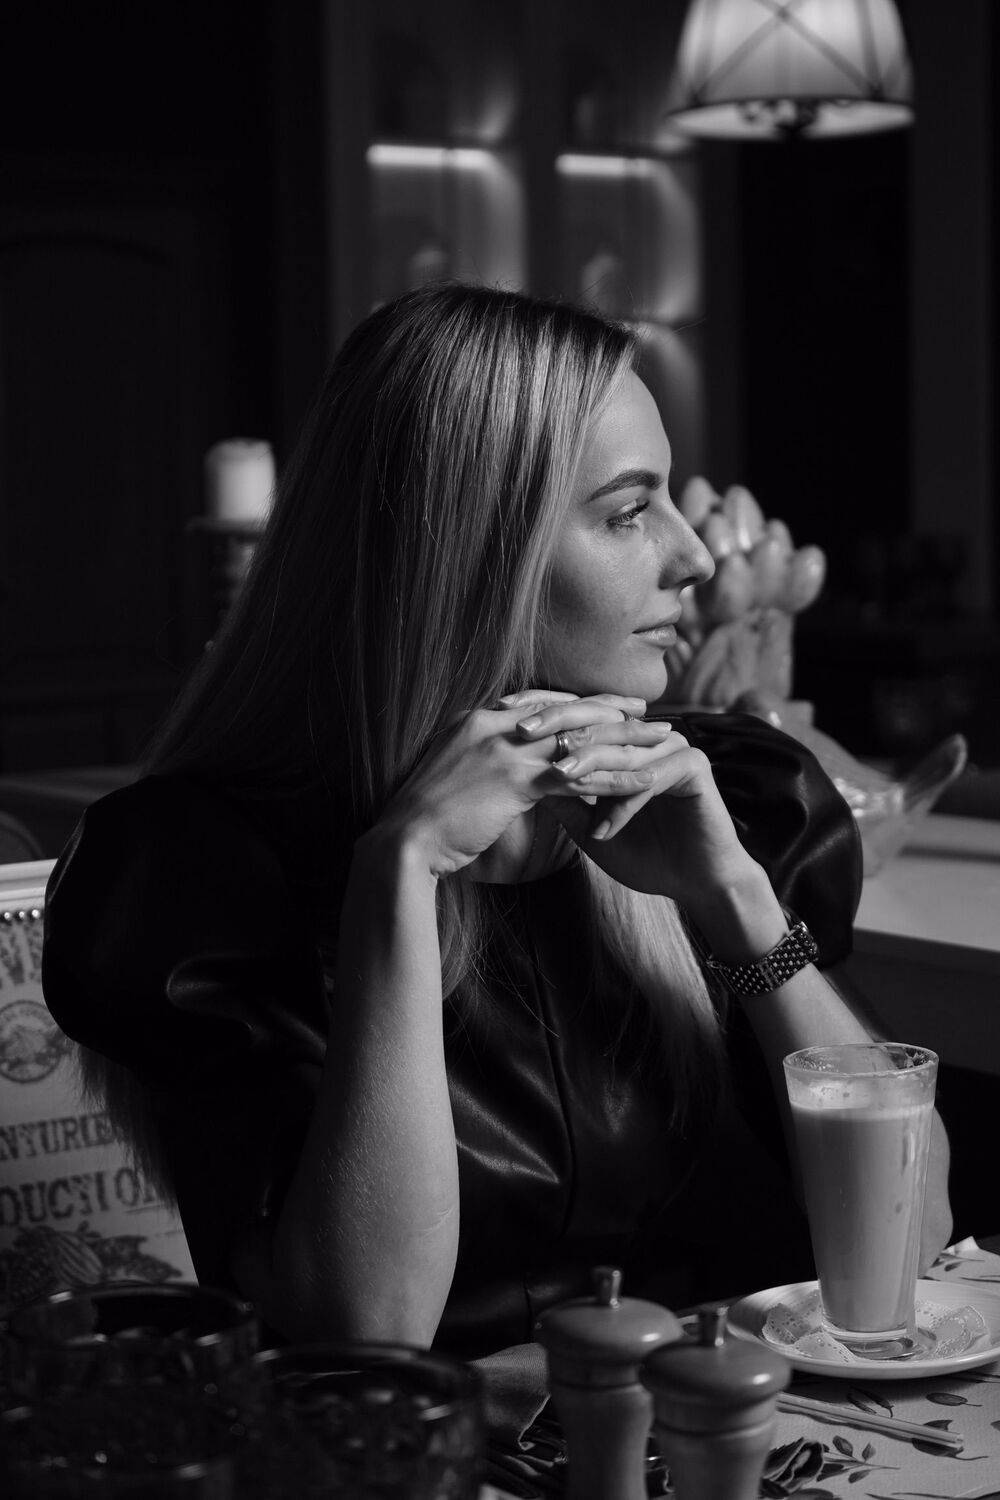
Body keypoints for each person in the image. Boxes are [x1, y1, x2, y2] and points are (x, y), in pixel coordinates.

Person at [42, 284, 952, 1371]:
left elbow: (910, 1244)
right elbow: (368, 1333)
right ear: (475, 553)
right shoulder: (204, 875)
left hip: (740, 1429)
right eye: (627, 512)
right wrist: (402, 870)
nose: (694, 558)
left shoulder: (737, 794)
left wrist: (740, 904)